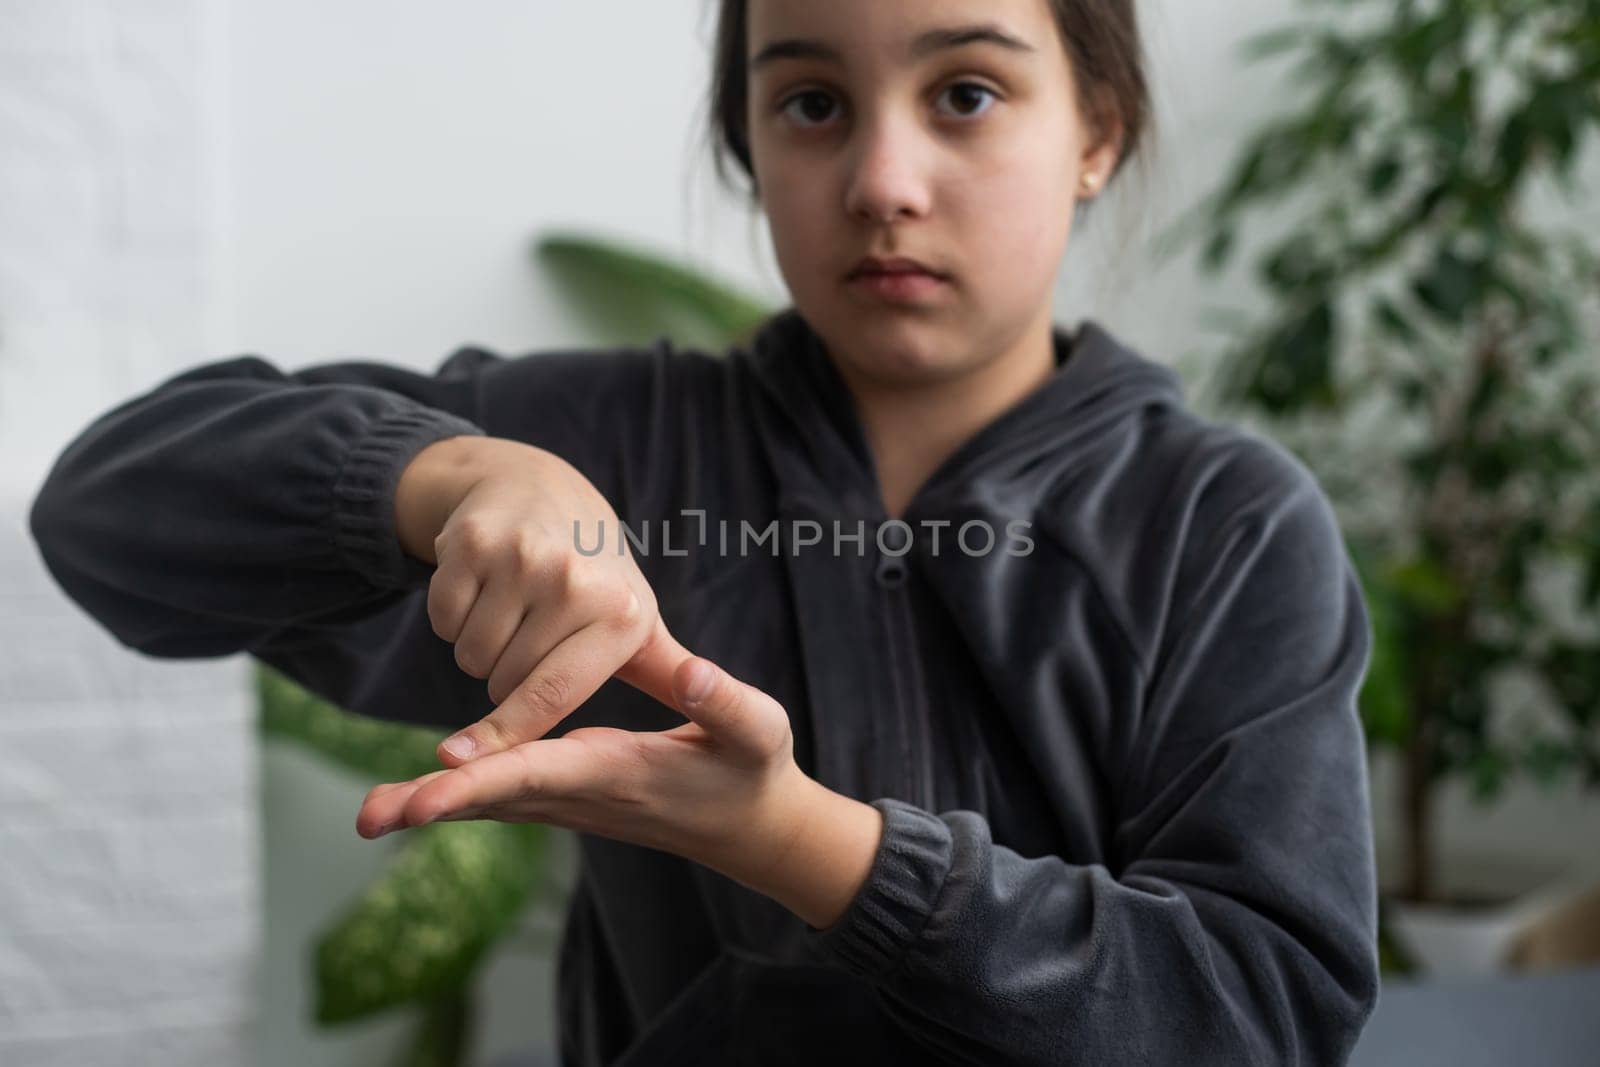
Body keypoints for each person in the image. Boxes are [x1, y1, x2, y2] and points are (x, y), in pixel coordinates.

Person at [26, 0, 1381, 1063]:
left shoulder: (1226, 529)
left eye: (966, 93)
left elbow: (1257, 1006)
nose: (883, 179)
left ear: (1099, 126)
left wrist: (798, 841)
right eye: (810, 103)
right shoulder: (621, 457)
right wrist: (441, 478)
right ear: (746, 141)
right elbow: (105, 507)